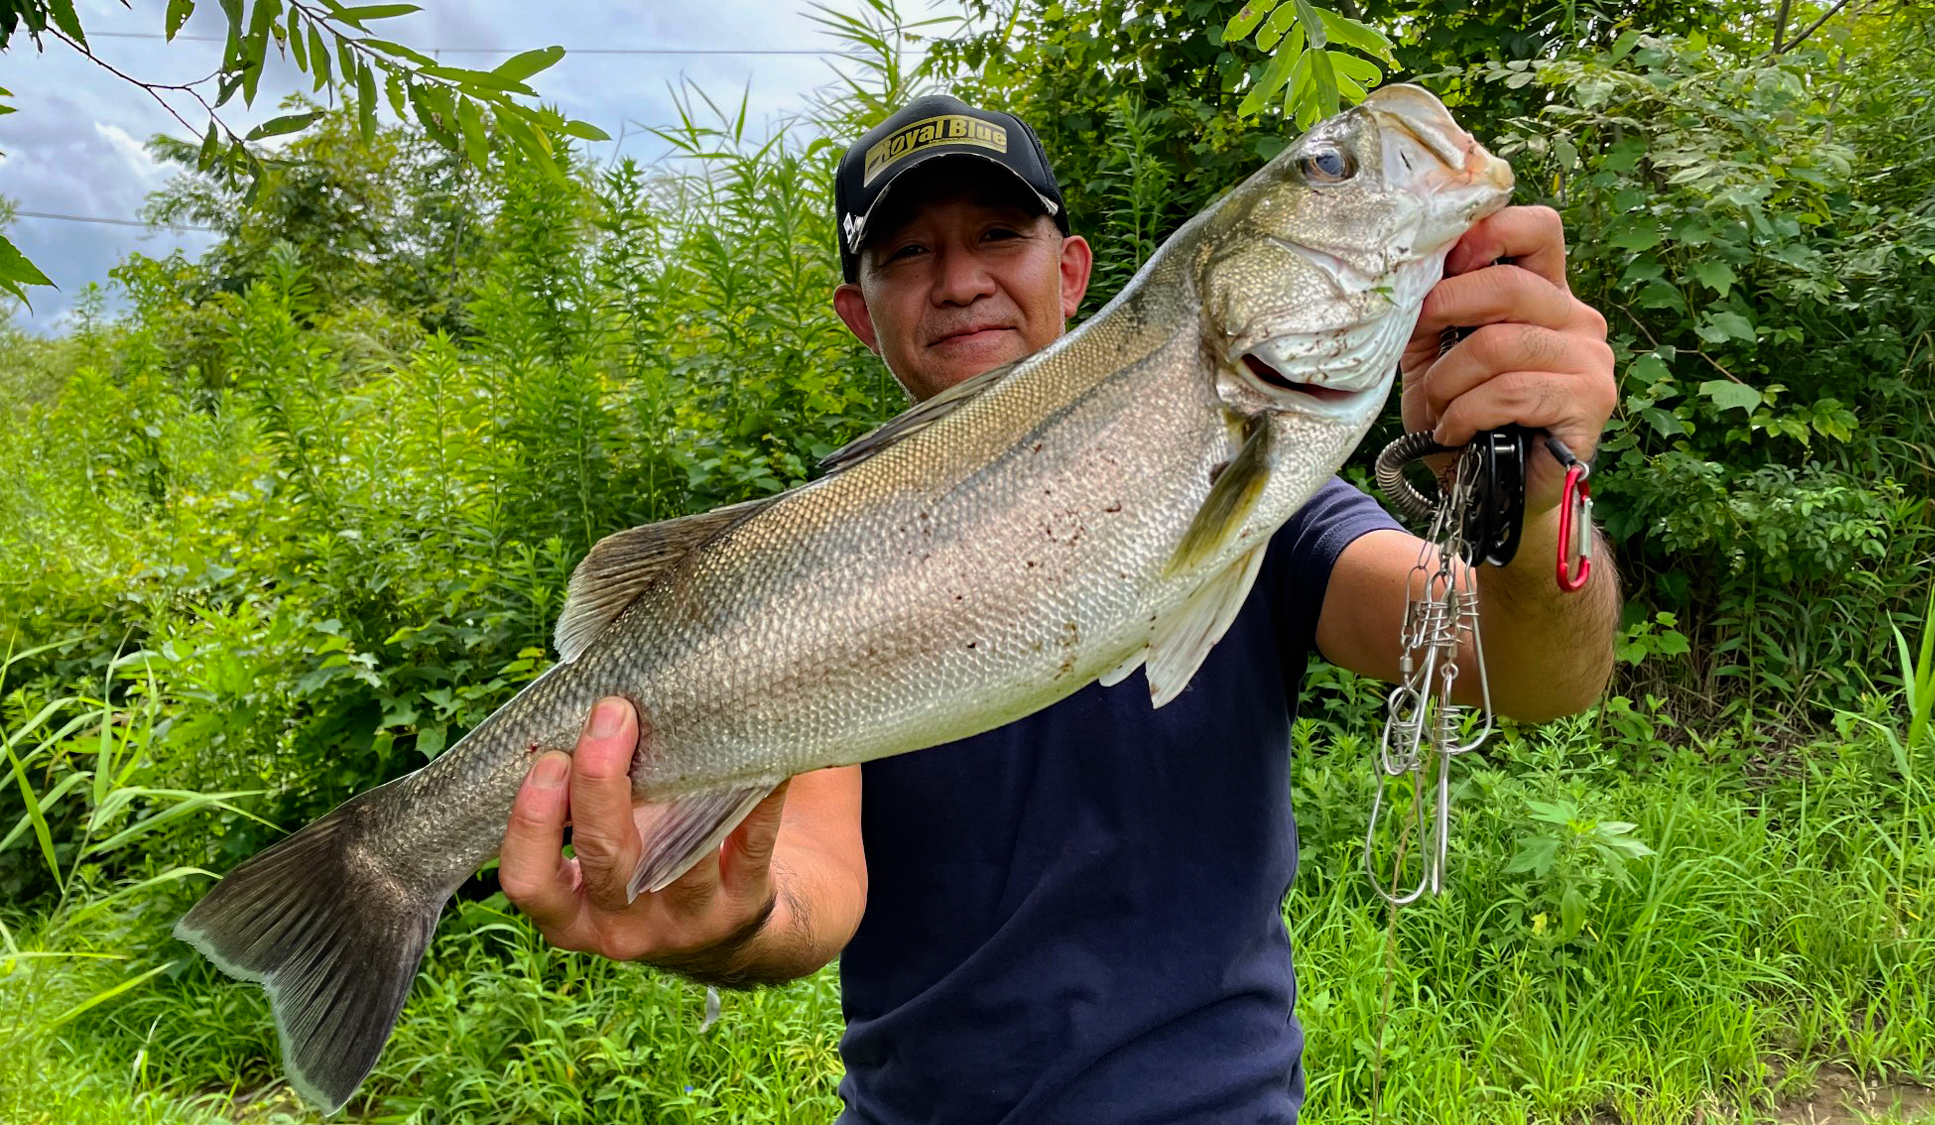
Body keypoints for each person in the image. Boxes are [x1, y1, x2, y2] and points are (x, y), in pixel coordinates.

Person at [497, 93, 1620, 1122]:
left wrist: (1529, 501)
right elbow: (816, 889)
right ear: (857, 310)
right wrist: (727, 916)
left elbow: (1530, 673)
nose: (960, 279)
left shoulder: (1269, 496)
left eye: (999, 235)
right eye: (907, 253)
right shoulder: (811, 555)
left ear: (1073, 270)